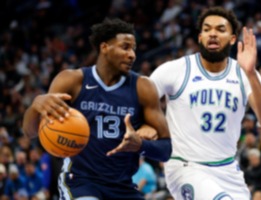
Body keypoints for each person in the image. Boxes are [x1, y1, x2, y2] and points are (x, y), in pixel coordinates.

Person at [22, 18, 172, 200]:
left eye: (133, 49)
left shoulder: (143, 87)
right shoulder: (72, 81)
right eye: (125, 47)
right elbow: (30, 132)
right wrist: (36, 105)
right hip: (80, 182)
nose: (132, 54)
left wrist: (140, 145)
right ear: (104, 47)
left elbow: (166, 150)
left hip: (123, 186)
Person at [150, 7, 261, 199]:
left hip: (228, 169)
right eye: (207, 29)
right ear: (200, 37)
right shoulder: (175, 70)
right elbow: (141, 98)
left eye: (220, 29)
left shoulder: (245, 74)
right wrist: (147, 126)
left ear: (233, 39)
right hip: (185, 166)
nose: (213, 34)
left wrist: (251, 73)